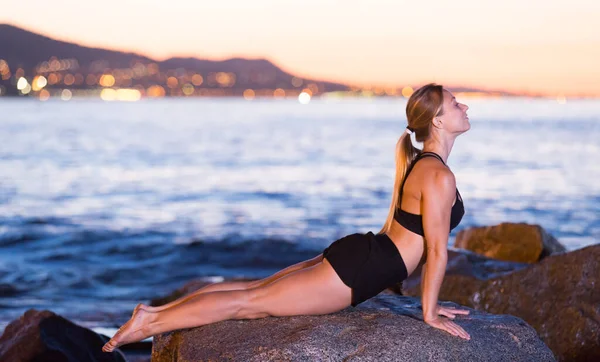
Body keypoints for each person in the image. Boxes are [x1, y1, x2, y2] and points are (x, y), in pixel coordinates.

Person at [102, 83, 471, 353]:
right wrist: (429, 315)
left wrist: (431, 302)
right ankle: (150, 323)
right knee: (250, 303)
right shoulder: (438, 175)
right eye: (455, 104)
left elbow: (417, 241)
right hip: (360, 270)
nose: (464, 106)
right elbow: (436, 252)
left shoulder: (425, 166)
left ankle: (154, 311)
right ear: (437, 121)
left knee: (254, 291)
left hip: (364, 254)